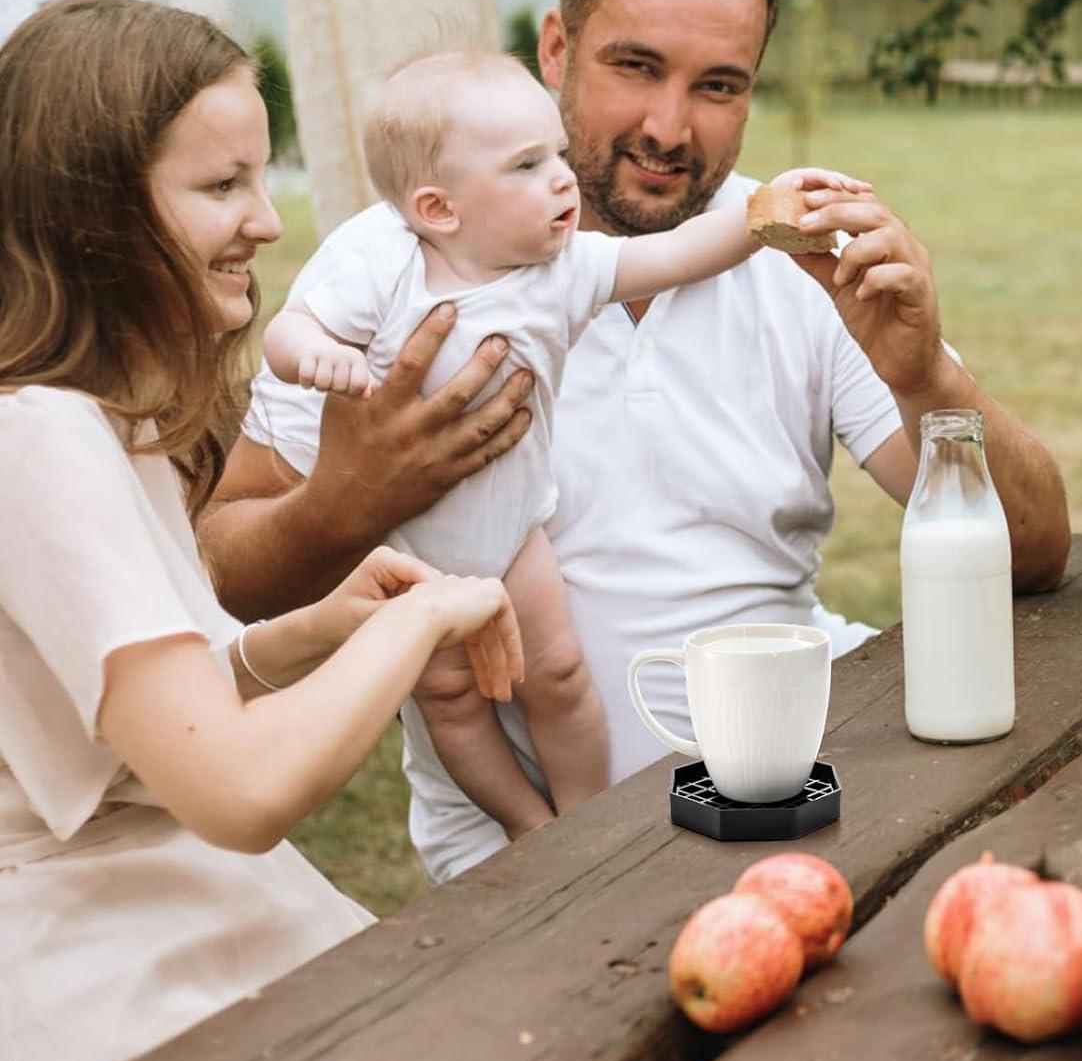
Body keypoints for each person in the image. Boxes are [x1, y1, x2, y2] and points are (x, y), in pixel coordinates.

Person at [202, 0, 1073, 883]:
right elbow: (226, 575)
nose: (669, 126)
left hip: (797, 796)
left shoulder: (793, 251)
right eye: (636, 67)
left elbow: (1036, 552)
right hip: (531, 865)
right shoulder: (400, 264)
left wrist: (921, 375)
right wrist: (344, 505)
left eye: (718, 85)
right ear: (557, 51)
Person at [0, 0, 524, 1061]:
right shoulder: (34, 436)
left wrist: (309, 632)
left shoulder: (98, 420)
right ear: (94, 213)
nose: (269, 223)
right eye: (222, 186)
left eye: (261, 175)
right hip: (98, 965)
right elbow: (234, 790)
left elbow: (132, 706)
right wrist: (416, 627)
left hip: (177, 906)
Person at [259, 47, 868, 840]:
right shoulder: (389, 268)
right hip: (409, 553)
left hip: (514, 534)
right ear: (440, 209)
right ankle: (526, 827)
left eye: (555, 153)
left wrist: (761, 219)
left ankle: (579, 825)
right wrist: (316, 352)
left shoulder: (565, 269)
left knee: (557, 673)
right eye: (526, 165)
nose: (560, 179)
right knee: (449, 697)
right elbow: (288, 330)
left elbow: (677, 255)